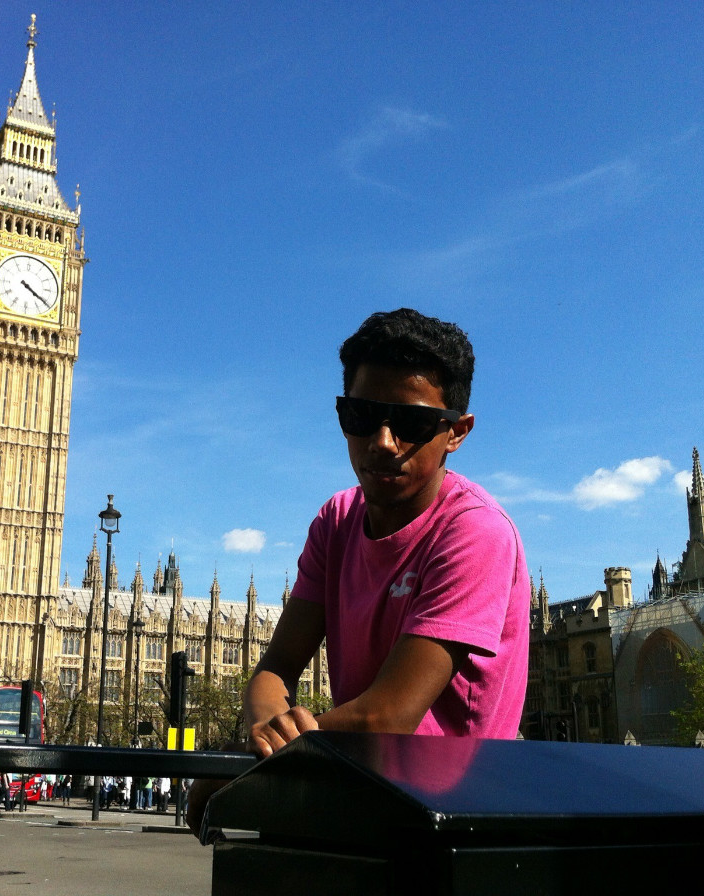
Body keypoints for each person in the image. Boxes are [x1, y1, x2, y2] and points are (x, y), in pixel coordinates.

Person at [190, 308, 530, 828]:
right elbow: (276, 668)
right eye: (362, 417)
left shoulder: (474, 532)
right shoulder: (336, 519)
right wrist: (262, 736)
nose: (383, 441)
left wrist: (249, 769)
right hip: (354, 796)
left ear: (456, 432)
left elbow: (388, 717)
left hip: (449, 821)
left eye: (412, 423)